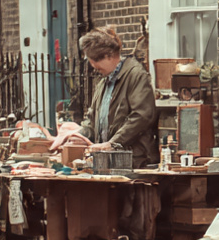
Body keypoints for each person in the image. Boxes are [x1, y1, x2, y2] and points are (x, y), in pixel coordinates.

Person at [51, 25, 159, 165]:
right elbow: (92, 120)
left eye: (94, 60)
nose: (93, 66)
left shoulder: (136, 76)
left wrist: (113, 143)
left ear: (108, 56)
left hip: (136, 161)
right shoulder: (103, 82)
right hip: (109, 162)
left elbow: (142, 116)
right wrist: (77, 136)